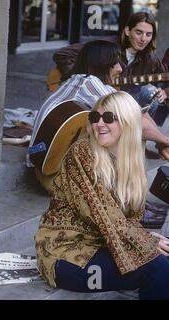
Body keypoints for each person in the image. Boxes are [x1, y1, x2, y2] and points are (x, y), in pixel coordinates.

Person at [35, 91, 169, 300]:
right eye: (94, 117)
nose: (99, 124)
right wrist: (147, 243)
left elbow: (128, 220)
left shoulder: (130, 159)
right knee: (158, 268)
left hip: (103, 244)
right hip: (66, 255)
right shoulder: (83, 153)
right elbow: (106, 215)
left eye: (108, 118)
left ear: (128, 122)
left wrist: (146, 239)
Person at [29, 40, 169, 193]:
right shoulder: (89, 84)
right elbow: (138, 123)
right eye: (115, 63)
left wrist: (161, 143)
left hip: (43, 164)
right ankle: (128, 192)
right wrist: (165, 141)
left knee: (123, 119)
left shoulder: (81, 80)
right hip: (53, 174)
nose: (120, 68)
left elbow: (139, 111)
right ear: (102, 64)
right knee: (124, 127)